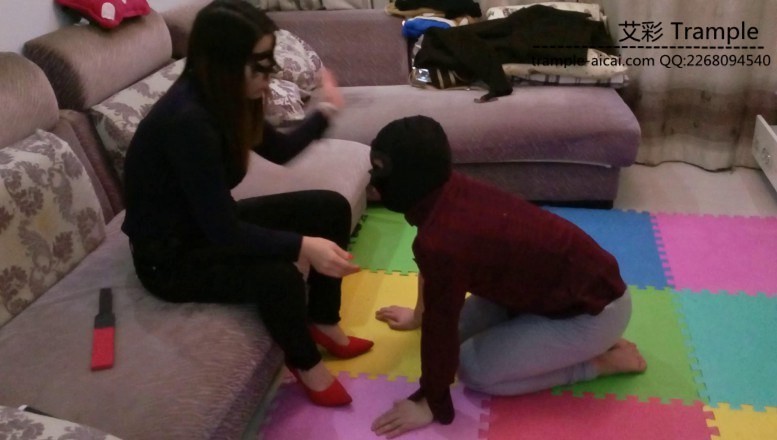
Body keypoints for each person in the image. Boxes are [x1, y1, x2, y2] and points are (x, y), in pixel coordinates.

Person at [122, 0, 372, 407]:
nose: (268, 76)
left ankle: (324, 321)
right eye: (259, 65)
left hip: (205, 225)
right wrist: (301, 245)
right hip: (168, 257)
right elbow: (224, 231)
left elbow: (280, 149)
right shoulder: (188, 122)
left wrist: (325, 111)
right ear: (223, 63)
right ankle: (306, 364)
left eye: (269, 62)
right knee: (280, 274)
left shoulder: (230, 95)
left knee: (330, 207)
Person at [369, 116, 647, 437]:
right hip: (548, 295)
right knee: (452, 338)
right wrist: (418, 315)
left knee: (474, 371)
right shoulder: (445, 191)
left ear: (410, 176)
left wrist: (430, 401)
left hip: (593, 311)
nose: (373, 179)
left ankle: (600, 363)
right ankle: (583, 344)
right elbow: (433, 278)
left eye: (381, 169)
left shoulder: (443, 238)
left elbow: (440, 320)